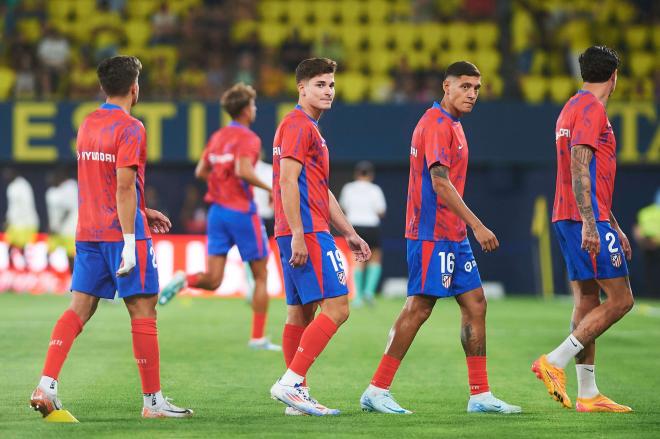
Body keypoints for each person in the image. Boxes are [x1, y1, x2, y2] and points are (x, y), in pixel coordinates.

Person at [29, 55, 193, 419]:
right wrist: (133, 241)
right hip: (121, 236)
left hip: (88, 232)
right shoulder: (131, 127)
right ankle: (153, 403)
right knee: (143, 309)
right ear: (135, 88)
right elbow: (121, 186)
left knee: (79, 308)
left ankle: (46, 384)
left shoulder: (87, 123)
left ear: (104, 87)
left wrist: (141, 207)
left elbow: (104, 182)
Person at [359, 61, 521, 415]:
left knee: (476, 302)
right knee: (419, 307)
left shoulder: (454, 126)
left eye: (476, 88)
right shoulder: (436, 125)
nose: (472, 94)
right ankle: (376, 389)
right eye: (465, 86)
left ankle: (480, 394)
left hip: (452, 234)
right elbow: (440, 183)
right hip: (431, 232)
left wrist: (465, 229)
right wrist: (478, 225)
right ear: (446, 87)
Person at [532, 46, 634, 413]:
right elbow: (580, 166)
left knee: (587, 301)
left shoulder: (572, 106)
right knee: (622, 300)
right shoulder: (592, 109)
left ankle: (588, 394)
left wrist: (613, 224)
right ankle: (553, 362)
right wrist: (593, 223)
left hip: (571, 215)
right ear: (614, 76)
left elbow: (591, 176)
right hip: (582, 219)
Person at [269, 58, 371, 416]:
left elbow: (320, 189)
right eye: (319, 85)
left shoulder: (303, 127)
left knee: (299, 313)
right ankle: (291, 382)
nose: (328, 91)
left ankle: (296, 396)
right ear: (302, 88)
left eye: (330, 84)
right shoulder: (300, 125)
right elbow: (285, 180)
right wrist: (299, 233)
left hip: (297, 229)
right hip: (307, 230)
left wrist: (350, 233)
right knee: (338, 307)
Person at [159, 83, 280, 351]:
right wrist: (271, 188)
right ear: (247, 110)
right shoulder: (249, 138)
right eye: (254, 105)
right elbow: (243, 170)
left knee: (214, 280)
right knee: (261, 275)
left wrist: (219, 181)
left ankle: (184, 279)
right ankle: (258, 338)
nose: (255, 109)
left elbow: (202, 170)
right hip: (241, 212)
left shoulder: (218, 137)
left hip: (217, 213)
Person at [339, 161, 387, 306]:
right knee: (375, 258)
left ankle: (358, 296)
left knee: (356, 260)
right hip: (371, 226)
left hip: (355, 227)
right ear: (371, 175)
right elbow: (381, 211)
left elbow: (342, 208)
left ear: (356, 174)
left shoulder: (348, 188)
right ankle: (369, 292)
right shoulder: (375, 189)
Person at [3, 167, 39, 269]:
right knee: (10, 247)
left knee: (23, 248)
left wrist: (24, 223)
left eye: (8, 173)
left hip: (24, 223)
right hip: (16, 223)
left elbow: (26, 205)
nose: (6, 176)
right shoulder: (12, 186)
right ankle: (12, 268)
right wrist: (9, 220)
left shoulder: (23, 186)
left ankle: (27, 268)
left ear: (14, 173)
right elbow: (12, 207)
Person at [45, 167, 78, 272]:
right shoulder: (52, 192)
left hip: (69, 229)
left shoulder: (70, 186)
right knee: (49, 251)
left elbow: (67, 210)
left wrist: (56, 226)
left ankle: (72, 278)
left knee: (71, 255)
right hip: (57, 230)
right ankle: (48, 276)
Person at [632, 189, 660, 296]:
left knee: (650, 275)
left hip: (648, 246)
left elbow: (636, 230)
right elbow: (637, 230)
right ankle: (651, 295)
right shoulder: (645, 212)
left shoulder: (645, 212)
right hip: (648, 247)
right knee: (649, 275)